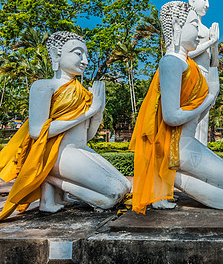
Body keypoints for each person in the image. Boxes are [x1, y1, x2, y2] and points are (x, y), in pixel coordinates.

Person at [130, 1, 223, 213]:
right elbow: (171, 116)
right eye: (194, 25)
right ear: (178, 26)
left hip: (187, 144)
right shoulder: (171, 62)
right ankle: (161, 171)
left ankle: (163, 174)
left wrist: (214, 46)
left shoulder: (190, 66)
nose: (199, 33)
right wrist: (207, 100)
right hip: (175, 146)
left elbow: (207, 97)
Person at [0, 31, 131, 220]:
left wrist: (98, 111)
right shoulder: (44, 86)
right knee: (113, 194)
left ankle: (52, 191)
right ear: (56, 54)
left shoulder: (83, 92)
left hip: (78, 149)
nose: (85, 61)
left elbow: (87, 136)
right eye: (78, 53)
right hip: (55, 155)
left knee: (126, 187)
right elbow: (37, 132)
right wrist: (88, 112)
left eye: (86, 55)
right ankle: (46, 177)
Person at [187, 0, 219, 145]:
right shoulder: (189, 27)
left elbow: (215, 63)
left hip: (206, 75)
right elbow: (186, 54)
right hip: (192, 75)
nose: (207, 5)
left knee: (203, 121)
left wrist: (214, 44)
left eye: (208, 0)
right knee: (191, 118)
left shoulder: (206, 29)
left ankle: (201, 151)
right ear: (191, 0)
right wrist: (211, 42)